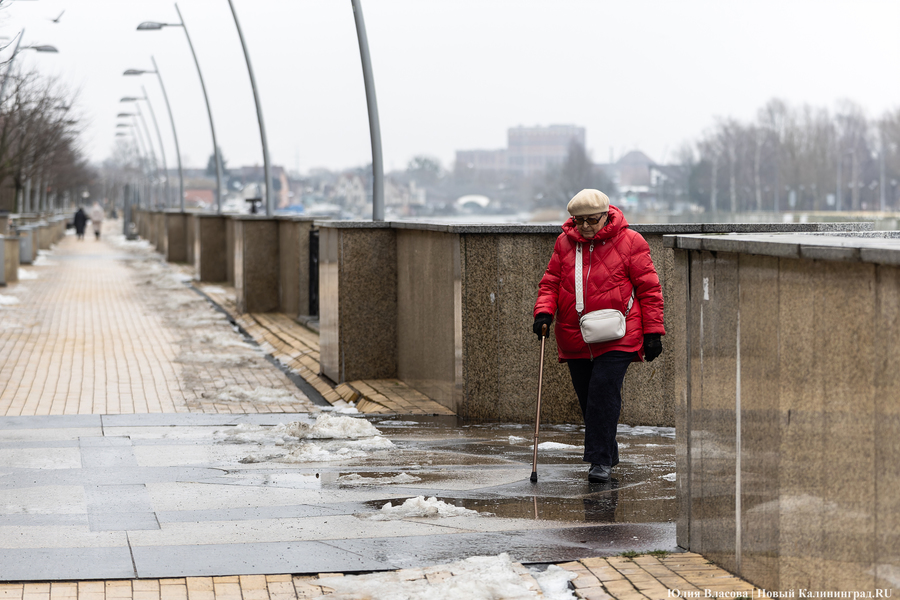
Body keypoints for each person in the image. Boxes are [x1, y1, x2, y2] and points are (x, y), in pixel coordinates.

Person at [533, 189, 664, 483]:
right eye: (579, 221)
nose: (585, 227)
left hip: (620, 333)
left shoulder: (631, 242)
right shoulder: (564, 244)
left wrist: (653, 331)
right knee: (588, 398)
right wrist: (543, 312)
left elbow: (649, 289)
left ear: (606, 215)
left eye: (592, 220)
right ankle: (608, 451)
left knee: (603, 391)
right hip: (575, 334)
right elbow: (551, 282)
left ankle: (599, 461)